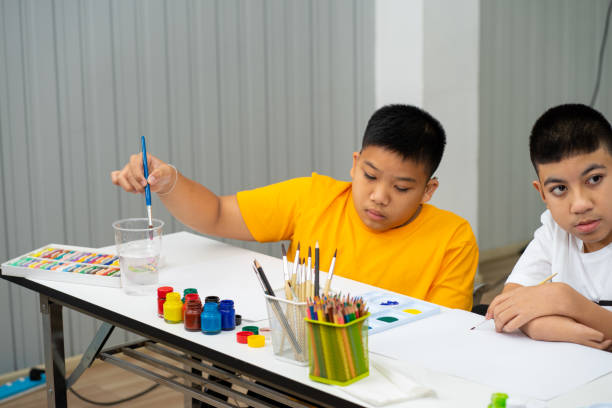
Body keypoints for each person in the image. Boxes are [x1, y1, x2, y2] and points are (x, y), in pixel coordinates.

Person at [111, 104, 478, 310]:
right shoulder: (313, 198)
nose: (379, 195)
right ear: (354, 163)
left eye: (401, 187)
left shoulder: (452, 238)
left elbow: (445, 330)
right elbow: (217, 215)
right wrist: (169, 181)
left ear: (428, 191)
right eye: (369, 176)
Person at [487, 103, 612, 350]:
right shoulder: (554, 232)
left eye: (594, 179)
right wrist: (540, 326)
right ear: (542, 193)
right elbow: (509, 304)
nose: (580, 204)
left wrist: (566, 301)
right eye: (559, 189)